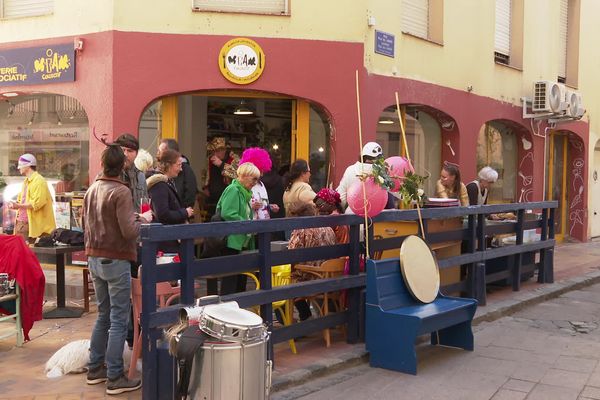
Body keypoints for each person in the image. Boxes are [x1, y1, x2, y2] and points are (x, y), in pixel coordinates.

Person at [83, 144, 152, 395]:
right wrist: (141, 219)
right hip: (116, 258)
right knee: (119, 319)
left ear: (103, 164)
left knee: (103, 314)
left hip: (94, 257)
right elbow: (129, 231)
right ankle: (114, 375)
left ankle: (95, 368)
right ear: (122, 165)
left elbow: (85, 223)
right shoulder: (121, 191)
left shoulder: (92, 188)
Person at [287, 202, 337, 321]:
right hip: (330, 275)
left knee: (282, 283)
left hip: (312, 276)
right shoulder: (328, 228)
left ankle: (303, 316)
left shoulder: (301, 230)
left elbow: (291, 253)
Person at [216, 162, 260, 295]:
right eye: (254, 179)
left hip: (241, 241)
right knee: (231, 280)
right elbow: (228, 213)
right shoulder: (233, 190)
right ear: (245, 176)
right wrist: (247, 225)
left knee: (241, 279)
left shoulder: (244, 192)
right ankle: (227, 309)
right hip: (231, 241)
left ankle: (237, 308)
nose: (255, 183)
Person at [146, 149, 194, 253]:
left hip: (169, 240)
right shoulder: (159, 185)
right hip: (165, 244)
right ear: (168, 165)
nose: (180, 169)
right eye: (178, 165)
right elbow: (163, 214)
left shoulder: (166, 182)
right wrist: (184, 213)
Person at [8, 153, 55, 243]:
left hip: (31, 225)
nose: (19, 168)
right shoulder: (27, 181)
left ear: (28, 166)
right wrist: (16, 204)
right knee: (22, 253)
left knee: (25, 254)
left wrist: (18, 205)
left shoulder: (39, 181)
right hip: (24, 223)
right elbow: (25, 201)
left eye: (20, 165)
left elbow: (37, 204)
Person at [336, 142, 391, 213]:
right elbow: (396, 191)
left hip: (352, 213)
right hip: (375, 215)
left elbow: (341, 196)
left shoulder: (350, 170)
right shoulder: (383, 172)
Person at [239, 147, 280, 220]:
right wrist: (251, 206)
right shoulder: (243, 186)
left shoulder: (261, 185)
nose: (261, 174)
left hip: (265, 225)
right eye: (259, 171)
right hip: (251, 225)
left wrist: (270, 207)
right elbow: (237, 207)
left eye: (262, 171)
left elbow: (263, 204)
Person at [203, 137, 239, 217]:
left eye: (218, 151)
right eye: (214, 151)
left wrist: (221, 164)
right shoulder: (210, 159)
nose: (215, 154)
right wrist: (205, 187)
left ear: (224, 150)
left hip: (228, 199)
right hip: (212, 199)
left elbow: (238, 175)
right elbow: (206, 173)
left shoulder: (234, 158)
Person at [158, 139, 198, 209]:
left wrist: (182, 212)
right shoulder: (158, 171)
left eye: (161, 151)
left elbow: (190, 194)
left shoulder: (186, 170)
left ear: (170, 152)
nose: (158, 153)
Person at [113, 133, 148, 210]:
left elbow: (145, 205)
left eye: (130, 151)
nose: (125, 154)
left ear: (136, 153)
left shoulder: (140, 176)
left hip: (138, 221)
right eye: (122, 150)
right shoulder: (111, 174)